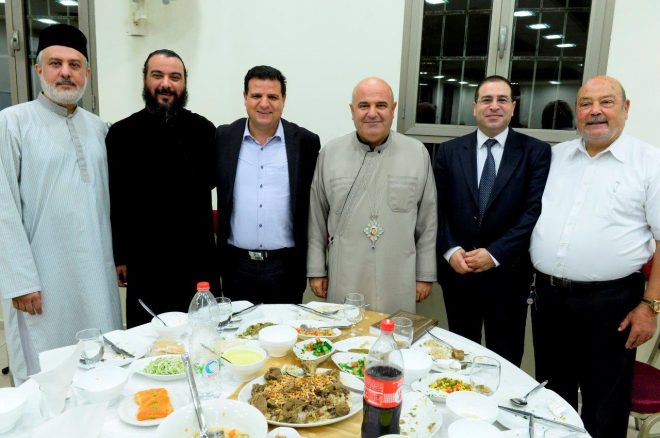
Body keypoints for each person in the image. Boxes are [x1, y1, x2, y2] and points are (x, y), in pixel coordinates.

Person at [530, 76, 660, 438]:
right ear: (576, 112)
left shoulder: (650, 163)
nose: (595, 111)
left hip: (613, 304)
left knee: (605, 403)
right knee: (552, 396)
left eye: (606, 102)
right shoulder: (556, 158)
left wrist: (651, 306)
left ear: (626, 108)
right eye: (586, 104)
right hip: (550, 299)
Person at [0, 24, 122, 384]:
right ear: (39, 69)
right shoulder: (12, 123)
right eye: (56, 64)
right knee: (48, 374)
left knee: (101, 363)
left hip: (96, 272)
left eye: (74, 65)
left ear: (87, 73)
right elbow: (3, 207)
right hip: (42, 279)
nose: (65, 72)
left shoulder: (100, 129)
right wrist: (20, 281)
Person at [433, 75, 551, 366]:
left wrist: (495, 253)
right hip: (459, 273)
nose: (494, 106)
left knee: (505, 359)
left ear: (513, 107)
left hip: (509, 276)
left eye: (502, 100)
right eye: (487, 99)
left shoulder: (535, 152)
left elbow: (533, 211)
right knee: (460, 358)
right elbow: (436, 209)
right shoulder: (448, 151)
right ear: (475, 107)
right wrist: (450, 250)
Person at [106, 49, 217, 327]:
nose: (166, 84)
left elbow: (212, 184)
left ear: (185, 83)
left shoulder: (204, 130)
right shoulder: (121, 134)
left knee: (201, 335)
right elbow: (116, 199)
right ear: (145, 80)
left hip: (195, 258)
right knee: (146, 338)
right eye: (157, 75)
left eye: (174, 77)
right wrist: (120, 256)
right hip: (145, 260)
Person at [308, 77, 437, 314]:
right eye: (364, 105)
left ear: (393, 109)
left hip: (398, 273)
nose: (372, 113)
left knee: (393, 333)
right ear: (352, 110)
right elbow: (316, 218)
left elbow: (428, 222)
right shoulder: (330, 153)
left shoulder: (416, 153)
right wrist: (316, 270)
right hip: (345, 271)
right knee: (346, 331)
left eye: (381, 105)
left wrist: (424, 275)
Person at [215, 66, 320, 305]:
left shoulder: (306, 142)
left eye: (272, 96)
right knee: (237, 328)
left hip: (286, 267)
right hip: (236, 266)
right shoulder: (223, 137)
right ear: (245, 97)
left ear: (284, 99)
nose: (264, 104)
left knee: (286, 328)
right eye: (256, 96)